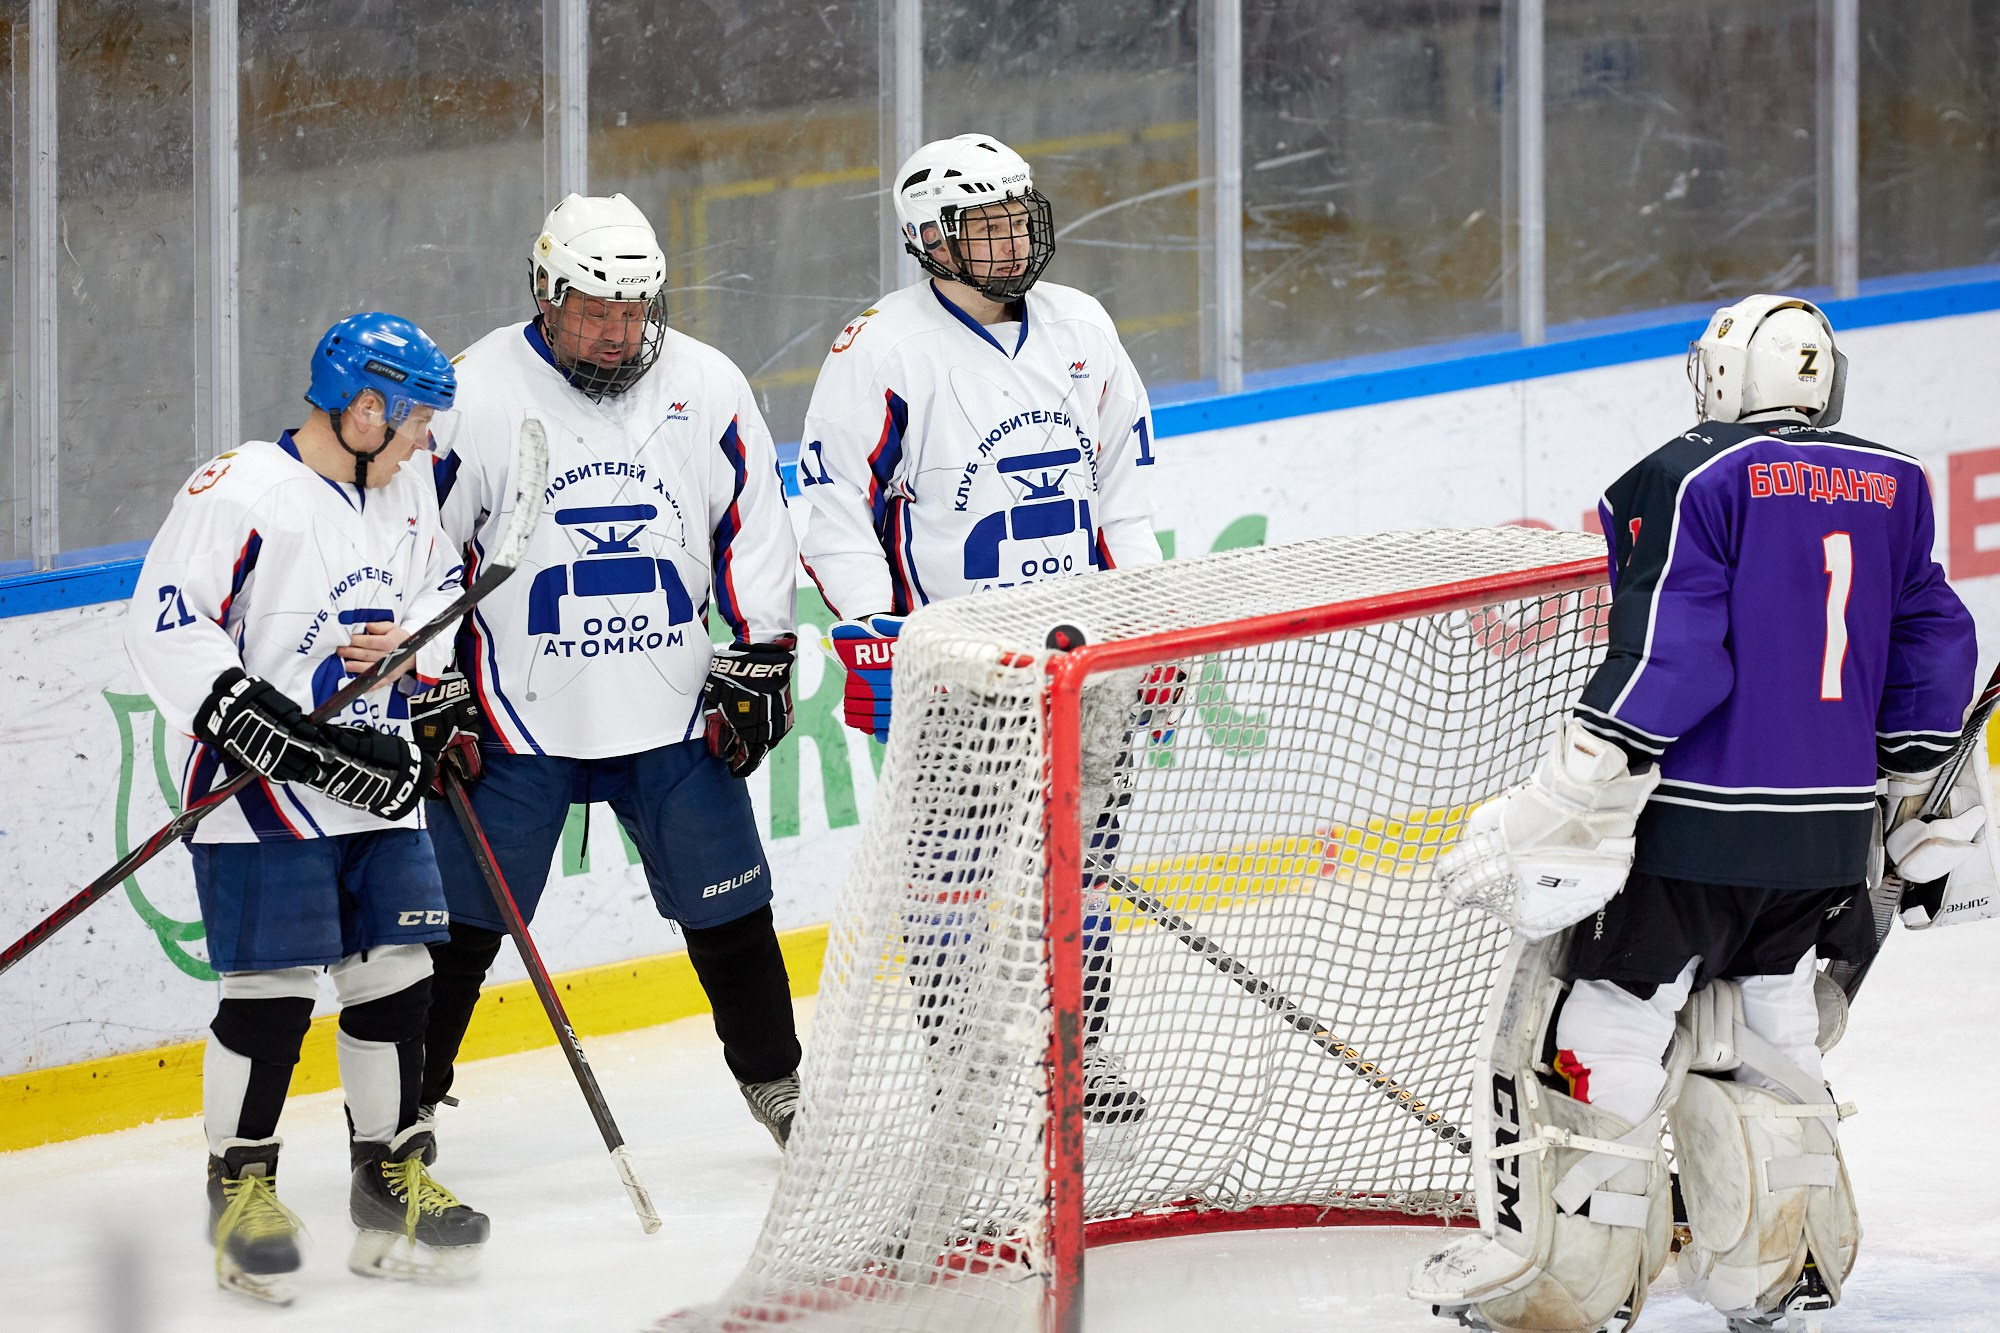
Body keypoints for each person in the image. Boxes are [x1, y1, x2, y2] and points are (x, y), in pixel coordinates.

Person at [1413, 294, 1980, 1332]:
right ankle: (1774, 1275)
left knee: (1603, 1030)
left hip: (1694, 825)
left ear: (1719, 376)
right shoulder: (1896, 484)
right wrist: (1915, 792)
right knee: (1767, 1028)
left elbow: (1669, 653)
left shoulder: (1689, 475)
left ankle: (1575, 1284)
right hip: (1822, 838)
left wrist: (1575, 789)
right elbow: (1933, 649)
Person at [417, 192, 806, 1150]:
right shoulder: (476, 390)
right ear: (546, 295)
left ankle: (778, 1085)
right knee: (460, 929)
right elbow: (419, 539)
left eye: (632, 311)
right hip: (514, 717)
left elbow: (753, 518)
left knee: (734, 913)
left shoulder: (705, 382)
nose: (614, 331)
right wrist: (431, 684)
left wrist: (761, 651)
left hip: (671, 704)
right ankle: (403, 1110)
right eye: (593, 310)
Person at [797, 133, 1167, 1124]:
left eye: (1017, 219)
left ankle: (1079, 1049)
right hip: (960, 669)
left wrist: (1149, 620)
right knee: (949, 875)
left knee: (1080, 868)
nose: (1011, 242)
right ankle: (957, 1066)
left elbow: (1122, 497)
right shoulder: (880, 346)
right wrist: (877, 631)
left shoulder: (1079, 325)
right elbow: (835, 506)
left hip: (1083, 659)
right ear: (930, 240)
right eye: (985, 226)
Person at [125, 313, 490, 1304]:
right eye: (413, 417)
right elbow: (163, 617)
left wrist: (417, 649)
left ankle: (387, 1180)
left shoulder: (405, 490)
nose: (426, 438)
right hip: (263, 799)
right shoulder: (242, 488)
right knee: (272, 991)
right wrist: (270, 730)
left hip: (376, 778)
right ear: (366, 407)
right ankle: (240, 1195)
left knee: (398, 974)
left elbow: (442, 588)